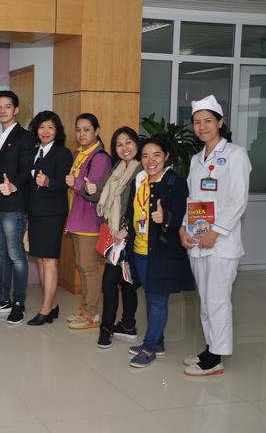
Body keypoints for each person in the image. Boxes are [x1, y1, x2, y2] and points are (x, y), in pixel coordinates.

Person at [180, 94, 251, 376]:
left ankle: (216, 357)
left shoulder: (235, 154)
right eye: (197, 122)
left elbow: (238, 200)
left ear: (220, 122)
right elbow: (192, 199)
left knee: (217, 299)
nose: (202, 127)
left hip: (222, 243)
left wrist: (216, 232)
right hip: (197, 239)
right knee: (205, 299)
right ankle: (211, 347)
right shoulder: (197, 159)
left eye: (208, 121)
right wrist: (183, 228)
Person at [126, 135, 194, 368]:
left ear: (166, 156)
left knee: (157, 299)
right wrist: (125, 229)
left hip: (162, 251)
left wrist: (165, 218)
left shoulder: (175, 182)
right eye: (145, 156)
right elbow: (132, 212)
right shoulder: (140, 180)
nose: (150, 160)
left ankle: (148, 348)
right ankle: (158, 342)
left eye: (156, 155)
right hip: (139, 249)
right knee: (150, 295)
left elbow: (179, 216)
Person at [0, 90, 34, 325]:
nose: (3, 111)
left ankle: (19, 302)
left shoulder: (25, 137)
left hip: (13, 204)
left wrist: (13, 185)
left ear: (16, 109)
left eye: (7, 106)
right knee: (1, 254)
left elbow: (26, 169)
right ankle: (3, 299)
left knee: (16, 255)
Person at [85, 126, 142, 347]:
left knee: (114, 281)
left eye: (128, 143)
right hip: (113, 233)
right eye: (119, 144)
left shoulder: (141, 171)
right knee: (122, 281)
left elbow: (140, 206)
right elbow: (101, 194)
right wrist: (90, 190)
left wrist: (126, 229)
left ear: (136, 144)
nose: (124, 148)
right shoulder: (117, 168)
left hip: (129, 235)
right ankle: (126, 324)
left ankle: (108, 328)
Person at [64, 113, 112, 329]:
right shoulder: (77, 154)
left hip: (90, 220)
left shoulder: (100, 158)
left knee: (89, 267)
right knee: (82, 266)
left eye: (86, 129)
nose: (81, 134)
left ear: (96, 131)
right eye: (78, 129)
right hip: (76, 217)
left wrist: (74, 183)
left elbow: (93, 191)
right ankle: (85, 309)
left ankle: (92, 313)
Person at [24, 111, 73, 326]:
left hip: (53, 213)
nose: (45, 131)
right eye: (41, 127)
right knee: (41, 260)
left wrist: (48, 183)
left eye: (50, 127)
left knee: (50, 260)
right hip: (35, 212)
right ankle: (52, 304)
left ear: (57, 131)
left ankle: (45, 309)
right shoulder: (36, 151)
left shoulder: (62, 153)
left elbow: (65, 183)